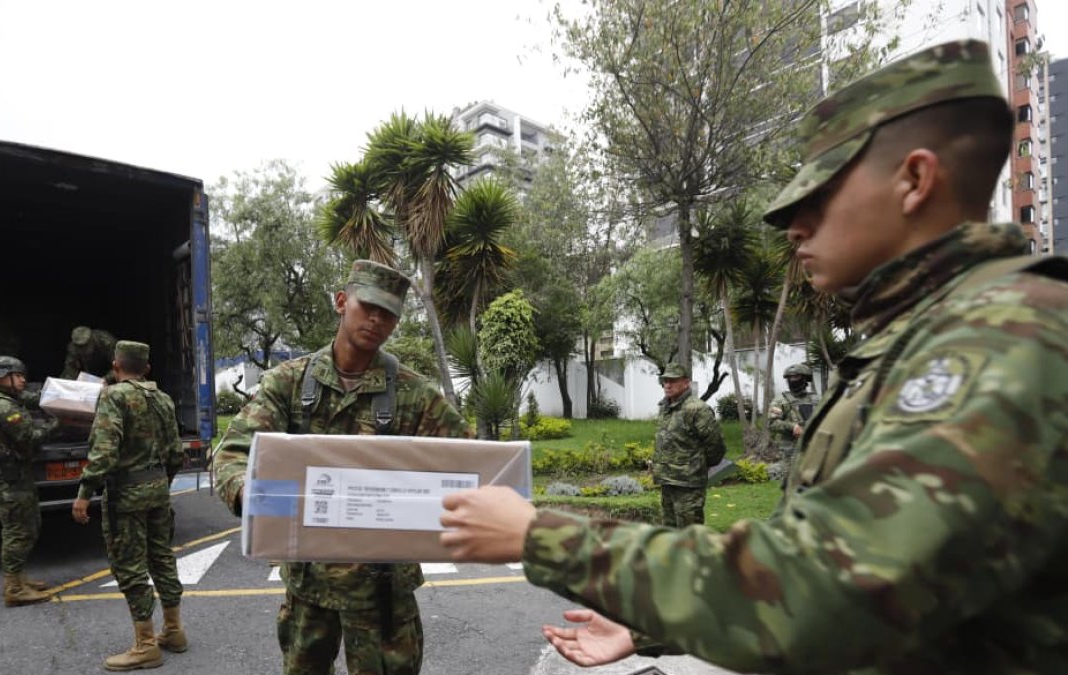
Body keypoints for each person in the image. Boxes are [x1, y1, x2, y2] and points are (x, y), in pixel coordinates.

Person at [439, 40, 1068, 674]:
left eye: (818, 196)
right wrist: (652, 623)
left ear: (914, 179)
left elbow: (823, 587)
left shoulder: (1009, 336)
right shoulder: (925, 337)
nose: (792, 228)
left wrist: (538, 536)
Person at [211, 259, 471, 675]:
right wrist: (253, 495)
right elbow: (232, 453)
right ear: (340, 301)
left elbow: (466, 464)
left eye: (388, 314)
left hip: (384, 592)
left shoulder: (415, 394)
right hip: (309, 586)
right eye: (367, 306)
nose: (376, 319)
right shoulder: (289, 383)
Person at [72, 341, 186, 671]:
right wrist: (161, 482)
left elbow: (105, 451)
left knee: (130, 565)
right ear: (146, 369)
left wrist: (84, 492)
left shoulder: (114, 396)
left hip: (126, 495)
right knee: (162, 557)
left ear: (115, 365)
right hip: (157, 491)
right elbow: (176, 452)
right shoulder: (162, 399)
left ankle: (146, 645)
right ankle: (174, 631)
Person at [0, 355, 59, 607]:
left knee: (27, 526)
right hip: (9, 481)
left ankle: (19, 579)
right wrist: (58, 424)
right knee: (18, 532)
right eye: (18, 375)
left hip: (12, 477)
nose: (23, 380)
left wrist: (61, 396)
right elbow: (30, 437)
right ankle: (14, 588)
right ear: (0, 377)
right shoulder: (3, 407)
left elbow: (32, 398)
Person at [651, 363, 725, 527]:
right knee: (669, 531)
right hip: (667, 480)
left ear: (686, 382)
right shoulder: (665, 407)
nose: (667, 385)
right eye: (665, 381)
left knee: (690, 534)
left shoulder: (697, 409)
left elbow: (715, 446)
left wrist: (698, 466)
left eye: (673, 380)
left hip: (689, 483)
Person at [765, 363, 819, 465]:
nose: (793, 380)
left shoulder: (816, 399)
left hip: (813, 447)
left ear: (805, 378)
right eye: (790, 377)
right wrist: (792, 426)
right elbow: (772, 423)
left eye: (796, 376)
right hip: (790, 451)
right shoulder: (780, 400)